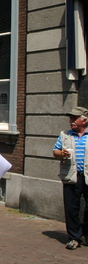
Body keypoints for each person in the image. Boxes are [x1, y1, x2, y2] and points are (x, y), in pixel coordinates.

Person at [53, 106, 88, 250]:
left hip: (86, 176)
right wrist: (61, 153)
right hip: (71, 175)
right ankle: (74, 237)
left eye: (75, 118)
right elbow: (55, 151)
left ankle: (86, 232)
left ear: (84, 120)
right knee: (71, 207)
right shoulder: (65, 135)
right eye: (70, 118)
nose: (71, 121)